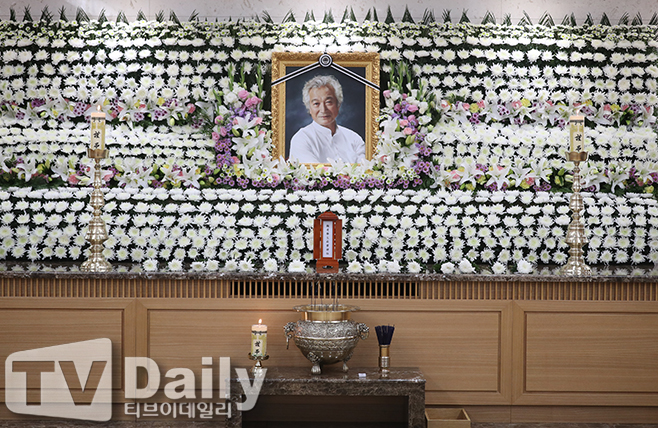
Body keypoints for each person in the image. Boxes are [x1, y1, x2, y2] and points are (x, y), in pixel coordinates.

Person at [289, 75, 365, 164]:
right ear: (309, 108)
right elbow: (315, 172)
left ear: (338, 105)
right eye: (316, 103)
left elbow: (366, 169)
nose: (323, 110)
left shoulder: (354, 138)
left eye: (328, 102)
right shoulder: (301, 139)